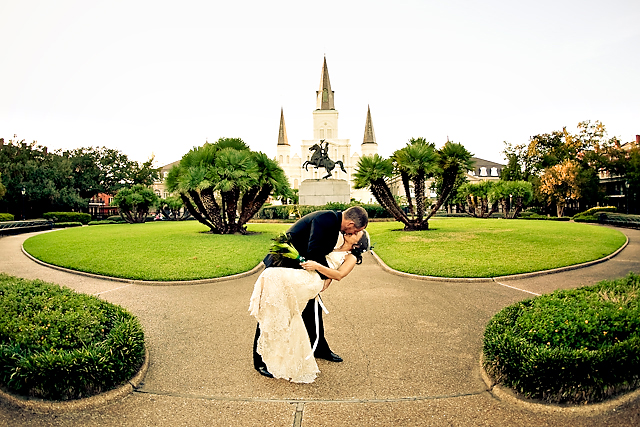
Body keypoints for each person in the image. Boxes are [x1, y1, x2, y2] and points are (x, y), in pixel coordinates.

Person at [252, 206, 369, 378]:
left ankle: (319, 348)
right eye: (356, 230)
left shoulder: (332, 222)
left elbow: (320, 255)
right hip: (285, 266)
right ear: (351, 223)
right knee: (273, 310)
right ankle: (260, 361)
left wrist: (324, 277)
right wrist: (324, 278)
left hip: (303, 272)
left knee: (313, 310)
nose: (354, 233)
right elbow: (314, 252)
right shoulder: (328, 220)